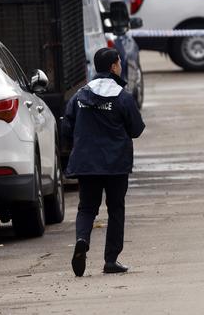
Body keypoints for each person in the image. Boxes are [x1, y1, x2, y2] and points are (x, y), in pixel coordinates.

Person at [62, 48, 145, 277]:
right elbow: (137, 129)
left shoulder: (80, 96)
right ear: (113, 67)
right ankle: (111, 260)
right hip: (116, 164)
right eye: (118, 62)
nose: (120, 66)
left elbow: (66, 127)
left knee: (87, 207)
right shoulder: (122, 97)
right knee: (116, 208)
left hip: (87, 163)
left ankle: (82, 240)